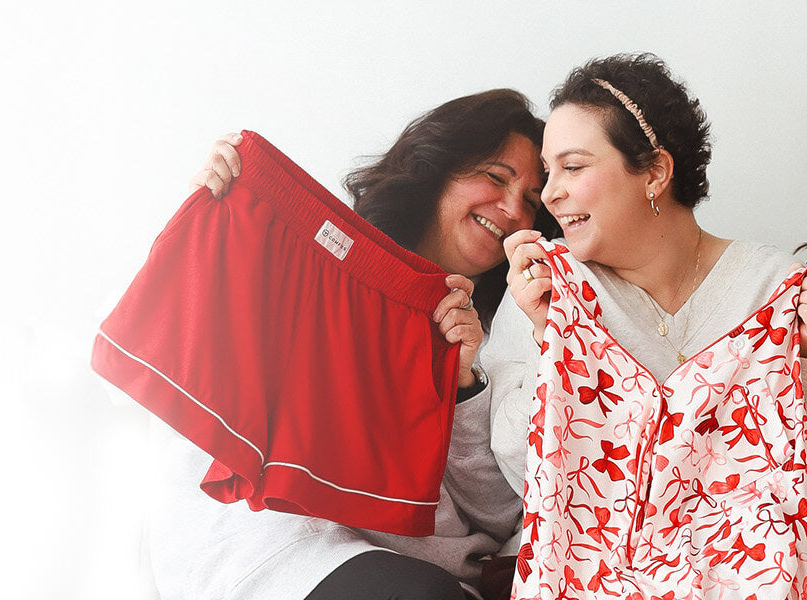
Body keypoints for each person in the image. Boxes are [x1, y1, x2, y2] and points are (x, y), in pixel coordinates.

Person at [151, 88, 554, 600]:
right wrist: (215, 214)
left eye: (531, 202)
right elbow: (193, 342)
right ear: (438, 168)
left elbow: (499, 519)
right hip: (269, 541)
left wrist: (462, 384)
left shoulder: (506, 333)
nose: (511, 208)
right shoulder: (310, 262)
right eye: (496, 178)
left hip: (411, 571)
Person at [478, 52, 807, 586]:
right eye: (548, 172)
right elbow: (521, 472)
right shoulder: (545, 289)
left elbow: (806, 483)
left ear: (654, 172)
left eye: (573, 167)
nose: (550, 194)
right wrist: (548, 340)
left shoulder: (775, 290)